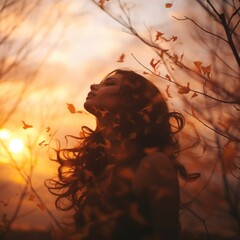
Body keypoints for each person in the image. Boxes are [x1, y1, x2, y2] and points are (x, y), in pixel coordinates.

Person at [46, 69, 199, 240]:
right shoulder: (102, 167)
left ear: (133, 100)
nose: (93, 86)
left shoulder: (153, 164)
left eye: (110, 83)